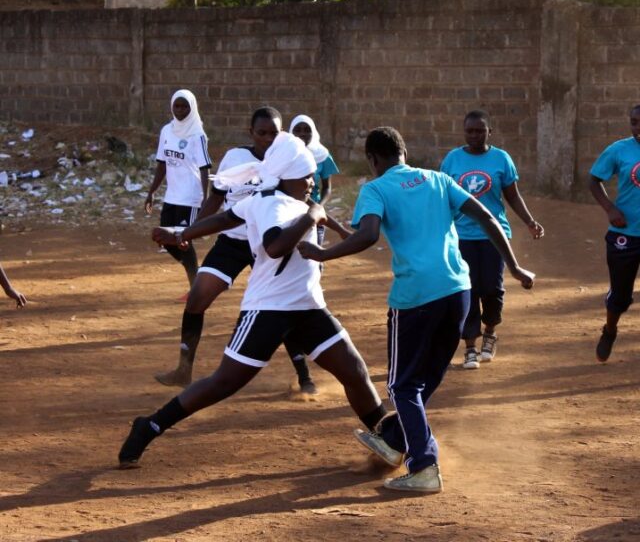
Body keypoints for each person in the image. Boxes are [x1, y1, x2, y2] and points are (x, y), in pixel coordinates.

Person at [118, 132, 387, 469]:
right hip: (268, 309)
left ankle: (386, 437)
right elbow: (275, 246)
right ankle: (151, 425)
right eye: (306, 176)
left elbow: (227, 218)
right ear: (288, 176)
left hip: (308, 307)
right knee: (224, 382)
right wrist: (311, 217)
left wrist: (183, 233)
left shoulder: (282, 199)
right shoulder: (274, 203)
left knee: (354, 371)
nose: (311, 181)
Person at [298, 126, 534, 493]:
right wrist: (515, 266)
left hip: (415, 297)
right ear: (404, 152)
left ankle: (424, 466)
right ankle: (394, 439)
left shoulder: (375, 188)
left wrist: (322, 253)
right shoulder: (439, 180)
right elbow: (487, 216)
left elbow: (368, 234)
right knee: (423, 381)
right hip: (459, 290)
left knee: (403, 385)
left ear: (373, 160)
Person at [154, 107, 318, 394]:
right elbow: (216, 200)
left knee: (283, 306)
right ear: (250, 132)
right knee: (197, 298)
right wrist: (189, 232)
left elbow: (302, 204)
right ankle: (184, 368)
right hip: (233, 241)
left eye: (274, 133)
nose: (268, 138)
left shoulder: (286, 163)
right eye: (262, 132)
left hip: (268, 245)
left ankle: (304, 377)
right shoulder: (235, 158)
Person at [440, 110, 544, 370]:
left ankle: (490, 332)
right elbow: (443, 199)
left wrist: (530, 221)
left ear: (489, 132)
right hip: (462, 236)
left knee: (492, 288)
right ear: (464, 132)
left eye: (480, 130)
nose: (474, 135)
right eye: (470, 131)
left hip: (494, 235)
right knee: (469, 289)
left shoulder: (501, 159)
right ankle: (470, 347)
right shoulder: (452, 160)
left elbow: (512, 195)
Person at [589, 104, 640, 362]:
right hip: (626, 233)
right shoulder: (619, 150)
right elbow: (594, 180)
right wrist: (610, 209)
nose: (638, 127)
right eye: (634, 122)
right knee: (620, 294)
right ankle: (609, 331)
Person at [144, 90, 211, 287]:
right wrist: (152, 191)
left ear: (192, 108)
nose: (180, 110)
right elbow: (162, 164)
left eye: (185, 106)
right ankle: (195, 275)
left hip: (190, 197)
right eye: (177, 106)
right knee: (165, 239)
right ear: (172, 107)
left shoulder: (198, 135)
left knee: (183, 240)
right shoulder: (167, 131)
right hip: (171, 196)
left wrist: (205, 198)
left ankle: (195, 285)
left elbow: (204, 168)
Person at [289, 114, 341, 246]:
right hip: (289, 211)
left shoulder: (322, 155)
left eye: (307, 130)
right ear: (291, 132)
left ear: (314, 133)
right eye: (298, 130)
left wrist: (319, 206)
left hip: (313, 213)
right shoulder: (284, 155)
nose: (302, 133)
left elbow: (327, 187)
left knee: (315, 253)